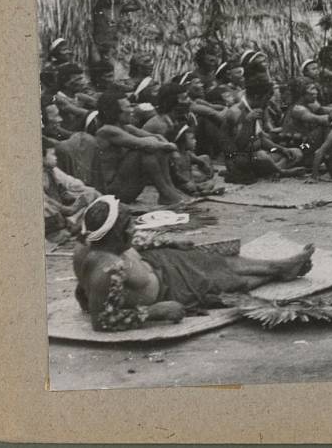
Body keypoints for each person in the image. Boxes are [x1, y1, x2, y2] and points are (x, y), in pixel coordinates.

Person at [72, 196, 315, 331]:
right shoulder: (108, 270)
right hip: (168, 290)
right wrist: (154, 312)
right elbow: (103, 320)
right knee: (225, 281)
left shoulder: (97, 240)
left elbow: (135, 244)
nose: (134, 228)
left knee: (213, 260)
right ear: (115, 235)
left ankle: (278, 266)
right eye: (129, 226)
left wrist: (169, 242)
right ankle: (277, 272)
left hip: (156, 265)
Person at [92, 90, 188, 206]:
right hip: (112, 192)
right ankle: (166, 192)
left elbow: (156, 137)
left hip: (126, 187)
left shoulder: (125, 127)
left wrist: (167, 147)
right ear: (115, 111)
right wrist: (170, 147)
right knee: (143, 152)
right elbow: (147, 144)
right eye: (128, 107)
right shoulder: (107, 130)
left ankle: (169, 190)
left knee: (157, 149)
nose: (132, 110)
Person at [219, 76, 292, 184]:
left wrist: (281, 149)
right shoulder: (236, 112)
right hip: (238, 158)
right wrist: (247, 122)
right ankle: (280, 171)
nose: (268, 102)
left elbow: (261, 139)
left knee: (296, 152)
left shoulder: (254, 109)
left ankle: (272, 168)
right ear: (257, 96)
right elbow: (240, 145)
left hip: (255, 155)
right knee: (262, 156)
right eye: (267, 98)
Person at [43, 139, 100, 240]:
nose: (56, 158)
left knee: (92, 193)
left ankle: (72, 224)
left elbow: (72, 184)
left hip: (61, 210)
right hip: (50, 214)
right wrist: (69, 209)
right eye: (52, 154)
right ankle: (61, 231)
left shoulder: (52, 170)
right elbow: (45, 200)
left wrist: (78, 197)